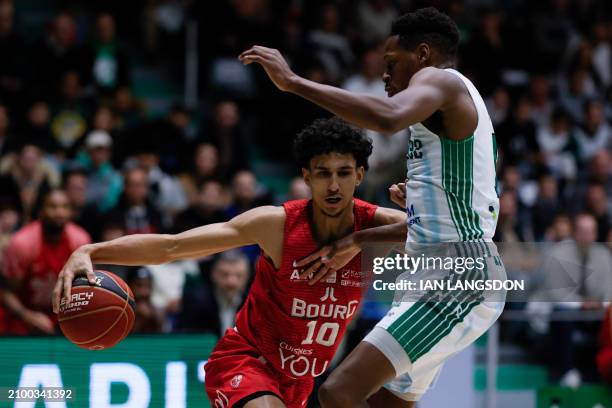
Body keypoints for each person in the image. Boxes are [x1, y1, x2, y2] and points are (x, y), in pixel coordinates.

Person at [241, 7, 505, 406]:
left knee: (337, 393)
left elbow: (387, 118)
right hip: (439, 271)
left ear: (422, 55)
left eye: (391, 63)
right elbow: (447, 219)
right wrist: (361, 238)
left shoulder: (442, 81)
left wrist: (294, 83)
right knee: (383, 403)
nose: (385, 74)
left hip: (455, 276)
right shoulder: (449, 109)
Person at [52, 118, 405, 407]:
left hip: (299, 380)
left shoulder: (379, 226)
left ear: (360, 175)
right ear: (306, 177)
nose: (334, 185)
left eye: (344, 173)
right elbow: (171, 247)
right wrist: (93, 251)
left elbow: (453, 240)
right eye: (323, 173)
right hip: (246, 360)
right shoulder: (276, 224)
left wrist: (418, 213)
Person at [2, 189, 90, 334]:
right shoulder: (22, 243)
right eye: (53, 206)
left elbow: (85, 288)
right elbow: (6, 291)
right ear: (41, 211)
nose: (59, 212)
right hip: (25, 314)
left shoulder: (80, 240)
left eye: (64, 207)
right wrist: (27, 315)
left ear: (71, 212)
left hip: (66, 312)